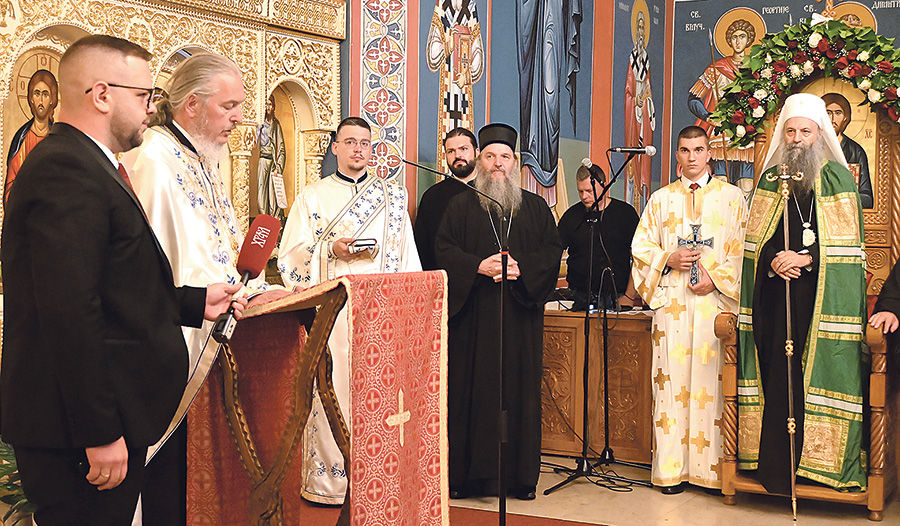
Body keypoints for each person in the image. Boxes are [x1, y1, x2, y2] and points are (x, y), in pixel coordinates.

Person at [0, 34, 245, 526]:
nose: (153, 109)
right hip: (79, 430)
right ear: (102, 94)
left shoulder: (92, 163)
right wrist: (99, 432)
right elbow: (69, 312)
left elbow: (113, 286)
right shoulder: (66, 169)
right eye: (143, 95)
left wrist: (195, 304)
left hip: (101, 417)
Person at [121, 52, 283, 524]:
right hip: (175, 345)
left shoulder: (204, 160)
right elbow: (142, 268)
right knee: (164, 487)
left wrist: (251, 292)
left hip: (212, 333)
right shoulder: (153, 159)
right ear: (191, 104)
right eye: (229, 106)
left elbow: (220, 247)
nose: (239, 118)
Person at [278, 116, 421, 504]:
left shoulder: (392, 197)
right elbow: (289, 259)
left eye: (365, 143)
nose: (358, 149)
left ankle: (379, 477)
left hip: (381, 315)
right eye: (350, 142)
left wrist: (406, 311)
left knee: (380, 396)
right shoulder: (311, 197)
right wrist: (330, 249)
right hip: (334, 317)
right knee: (335, 389)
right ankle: (331, 482)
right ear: (335, 147)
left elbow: (409, 259)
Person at [738, 93, 867, 493]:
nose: (797, 139)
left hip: (818, 298)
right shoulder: (770, 179)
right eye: (790, 131)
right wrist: (776, 257)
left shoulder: (837, 177)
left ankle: (817, 467)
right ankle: (775, 468)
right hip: (778, 300)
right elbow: (758, 239)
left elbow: (846, 244)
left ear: (820, 134)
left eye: (805, 131)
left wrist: (805, 259)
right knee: (778, 376)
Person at [435, 123, 562, 501]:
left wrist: (522, 268)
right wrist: (477, 266)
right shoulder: (459, 205)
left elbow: (552, 251)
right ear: (480, 160)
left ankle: (520, 479)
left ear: (516, 163)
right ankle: (465, 478)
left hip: (520, 320)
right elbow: (443, 250)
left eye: (505, 157)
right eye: (490, 156)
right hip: (474, 320)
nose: (497, 164)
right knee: (470, 394)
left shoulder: (536, 207)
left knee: (519, 395)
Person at [631, 125, 747, 494]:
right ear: (677, 154)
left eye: (699, 149)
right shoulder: (661, 200)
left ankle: (713, 472)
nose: (692, 156)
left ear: (709, 152)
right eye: (685, 150)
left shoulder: (732, 199)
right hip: (674, 307)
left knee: (712, 387)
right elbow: (640, 248)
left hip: (715, 309)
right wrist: (669, 257)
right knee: (671, 386)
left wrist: (715, 278)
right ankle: (671, 471)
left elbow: (745, 251)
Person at [558, 164, 640, 310]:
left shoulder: (625, 214)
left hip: (617, 295)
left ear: (604, 185)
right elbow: (554, 252)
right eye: (580, 191)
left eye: (589, 191)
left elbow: (639, 257)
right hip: (579, 296)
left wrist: (629, 296)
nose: (584, 196)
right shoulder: (571, 216)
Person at [689, 18, 757, 187]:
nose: (738, 41)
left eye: (742, 36)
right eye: (734, 37)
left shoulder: (757, 69)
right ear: (729, 41)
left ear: (749, 39)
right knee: (721, 184)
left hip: (748, 135)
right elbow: (693, 98)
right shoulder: (716, 69)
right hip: (722, 133)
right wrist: (709, 117)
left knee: (747, 186)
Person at [414, 127, 479, 270]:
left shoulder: (492, 193)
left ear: (476, 152)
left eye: (464, 149)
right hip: (446, 279)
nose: (458, 155)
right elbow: (422, 248)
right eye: (451, 151)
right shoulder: (433, 196)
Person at [5, 69, 58, 203]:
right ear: (31, 99)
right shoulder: (22, 140)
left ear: (52, 99)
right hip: (26, 211)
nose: (41, 100)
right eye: (37, 94)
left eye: (45, 95)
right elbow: (10, 188)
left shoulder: (59, 139)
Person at [624, 5, 655, 208]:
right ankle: (631, 202)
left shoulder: (646, 59)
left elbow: (649, 88)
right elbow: (628, 90)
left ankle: (641, 204)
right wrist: (634, 100)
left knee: (644, 153)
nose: (641, 33)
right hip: (633, 116)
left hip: (644, 114)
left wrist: (646, 101)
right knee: (632, 157)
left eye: (644, 29)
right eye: (639, 28)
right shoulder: (633, 58)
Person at [822, 92, 874, 208]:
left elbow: (867, 199)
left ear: (845, 118)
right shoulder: (811, 149)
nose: (833, 119)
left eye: (838, 113)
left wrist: (839, 197)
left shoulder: (856, 151)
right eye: (828, 113)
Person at [257, 93, 287, 220]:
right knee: (261, 192)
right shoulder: (260, 124)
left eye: (269, 104)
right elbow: (251, 143)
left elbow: (281, 148)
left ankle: (273, 222)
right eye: (265, 105)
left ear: (273, 107)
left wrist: (278, 167)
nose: (267, 108)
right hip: (263, 160)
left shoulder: (276, 125)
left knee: (273, 195)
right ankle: (263, 219)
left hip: (273, 163)